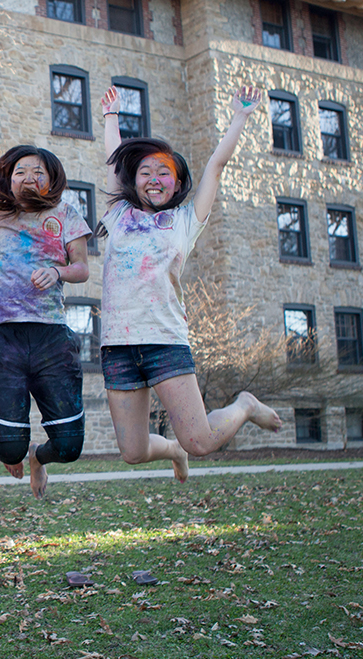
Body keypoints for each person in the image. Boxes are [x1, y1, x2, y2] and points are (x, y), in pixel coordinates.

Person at [98, 84, 283, 482]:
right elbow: (114, 162)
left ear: (177, 182)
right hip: (117, 346)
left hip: (164, 340)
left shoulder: (185, 221)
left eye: (164, 172)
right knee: (132, 452)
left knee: (200, 440)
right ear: (135, 180)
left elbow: (216, 164)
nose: (153, 178)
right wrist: (111, 116)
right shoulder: (118, 214)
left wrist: (239, 117)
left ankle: (245, 405)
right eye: (145, 171)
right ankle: (173, 452)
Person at [0, 145, 91, 499]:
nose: (29, 177)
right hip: (1, 338)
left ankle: (39, 456)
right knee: (7, 450)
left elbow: (82, 268)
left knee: (68, 446)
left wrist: (56, 270)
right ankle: (16, 446)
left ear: (51, 179)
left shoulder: (66, 213)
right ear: (8, 178)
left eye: (38, 171)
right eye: (20, 171)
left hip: (51, 335)